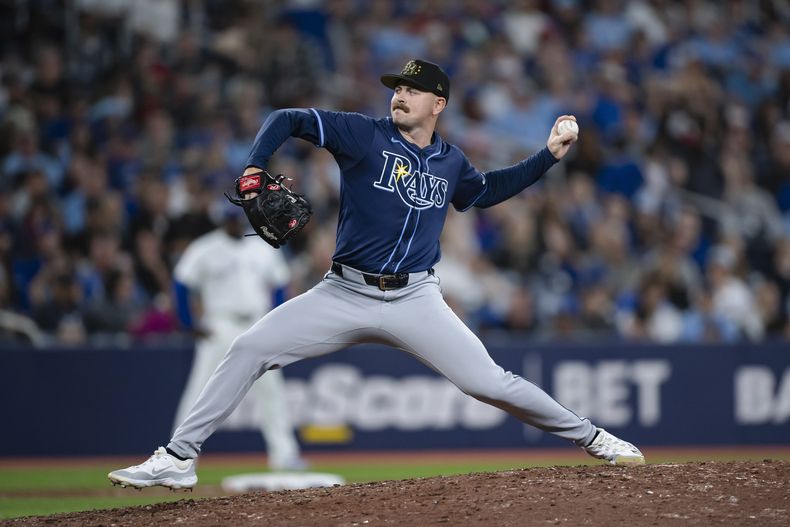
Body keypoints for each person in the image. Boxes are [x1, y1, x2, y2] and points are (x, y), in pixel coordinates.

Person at [109, 59, 644, 490]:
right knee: (248, 349)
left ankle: (596, 438)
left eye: (412, 90)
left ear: (439, 103)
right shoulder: (363, 135)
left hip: (416, 298)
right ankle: (179, 458)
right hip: (342, 291)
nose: (400, 95)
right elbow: (287, 118)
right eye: (396, 87)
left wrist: (547, 156)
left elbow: (485, 193)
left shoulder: (451, 161)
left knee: (490, 383)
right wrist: (253, 166)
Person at [170, 204, 307, 471]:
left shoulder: (262, 245)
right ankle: (179, 458)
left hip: (256, 323)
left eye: (238, 218)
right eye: (230, 218)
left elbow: (280, 283)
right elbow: (181, 283)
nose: (234, 223)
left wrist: (276, 320)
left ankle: (284, 455)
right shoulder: (205, 248)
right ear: (222, 220)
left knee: (272, 392)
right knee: (200, 392)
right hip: (220, 325)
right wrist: (188, 323)